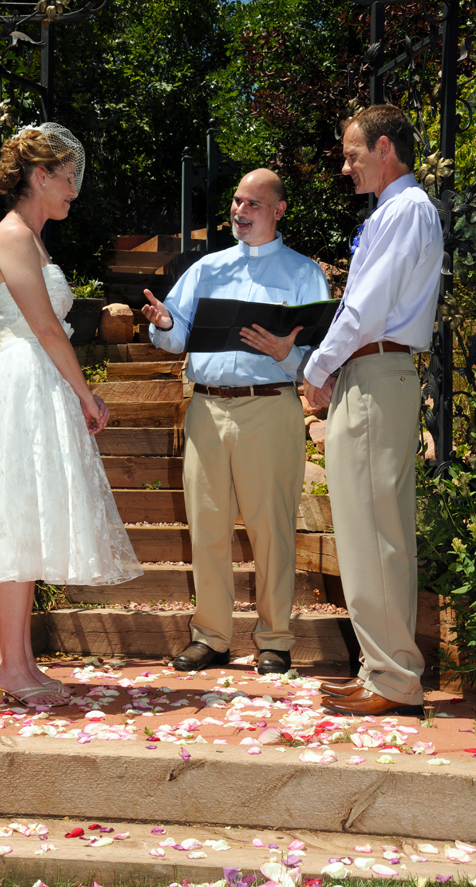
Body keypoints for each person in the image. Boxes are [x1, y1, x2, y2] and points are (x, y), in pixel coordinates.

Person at [0, 123, 142, 706]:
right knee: (15, 517)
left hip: (38, 382)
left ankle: (17, 662)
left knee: (26, 519)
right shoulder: (13, 235)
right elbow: (47, 328)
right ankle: (11, 664)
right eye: (68, 177)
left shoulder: (33, 238)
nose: (75, 189)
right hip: (24, 382)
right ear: (40, 176)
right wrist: (87, 395)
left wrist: (72, 393)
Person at [142, 169, 329, 674]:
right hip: (206, 409)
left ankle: (275, 640)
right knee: (206, 527)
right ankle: (211, 637)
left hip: (270, 407)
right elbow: (176, 334)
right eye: (236, 201)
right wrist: (165, 323)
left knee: (271, 529)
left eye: (252, 204)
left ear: (279, 211)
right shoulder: (207, 268)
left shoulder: (304, 273)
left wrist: (289, 355)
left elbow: (320, 356)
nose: (239, 211)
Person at [303, 104, 444, 716]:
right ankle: (383, 668)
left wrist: (317, 367)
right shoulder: (398, 210)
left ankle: (393, 677)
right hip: (374, 371)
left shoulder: (406, 209)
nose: (345, 166)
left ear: (385, 148)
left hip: (375, 370)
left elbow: (365, 308)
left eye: (352, 153)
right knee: (373, 529)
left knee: (373, 530)